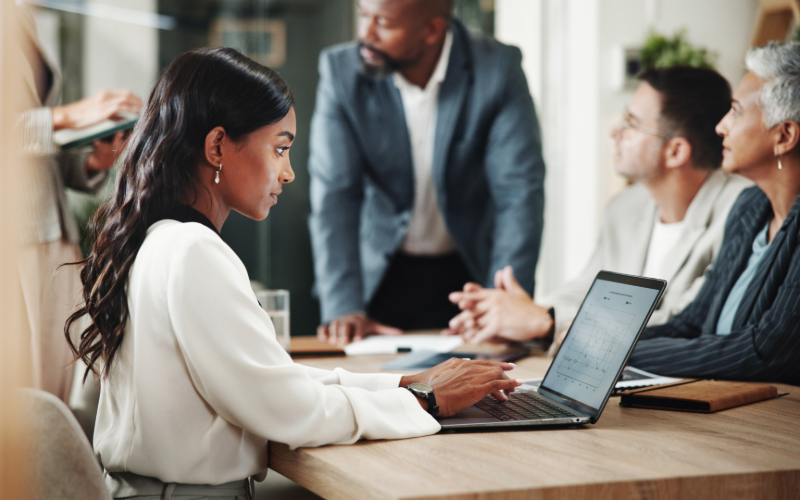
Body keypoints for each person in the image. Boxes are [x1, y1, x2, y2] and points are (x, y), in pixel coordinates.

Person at [64, 47, 522, 497]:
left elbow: (269, 379)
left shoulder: (160, 239)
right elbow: (288, 411)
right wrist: (426, 401)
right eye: (280, 149)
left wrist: (404, 383)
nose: (289, 173)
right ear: (218, 146)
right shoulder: (193, 252)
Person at [447, 66, 751, 346]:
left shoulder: (740, 212)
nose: (614, 130)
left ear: (675, 151)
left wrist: (545, 322)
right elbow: (589, 289)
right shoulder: (625, 207)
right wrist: (514, 311)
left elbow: (684, 323)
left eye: (631, 123)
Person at [310, 0, 545, 344]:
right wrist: (344, 306)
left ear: (432, 30)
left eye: (383, 22)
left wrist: (503, 304)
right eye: (363, 14)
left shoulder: (497, 69)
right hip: (379, 274)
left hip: (469, 275)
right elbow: (335, 196)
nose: (365, 33)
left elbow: (518, 193)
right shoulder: (340, 71)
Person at [628, 41, 800, 384]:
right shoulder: (749, 208)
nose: (721, 126)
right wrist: (604, 343)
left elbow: (768, 351)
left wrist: (623, 354)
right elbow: (693, 321)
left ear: (784, 136)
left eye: (735, 111)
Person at [17, 6, 141, 403]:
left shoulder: (21, 14)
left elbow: (36, 150)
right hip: (15, 238)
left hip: (51, 236)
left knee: (52, 404)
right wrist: (65, 116)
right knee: (22, 406)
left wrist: (92, 161)